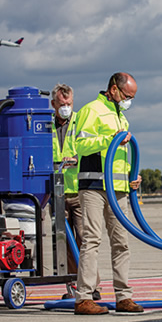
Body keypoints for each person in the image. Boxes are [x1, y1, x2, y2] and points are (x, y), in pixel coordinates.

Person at [73, 72, 143, 315]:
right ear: (114, 89)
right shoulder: (91, 110)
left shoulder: (120, 117)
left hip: (119, 189)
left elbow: (121, 158)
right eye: (127, 95)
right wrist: (108, 140)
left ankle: (123, 297)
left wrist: (132, 178)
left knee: (121, 242)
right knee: (92, 240)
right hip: (93, 186)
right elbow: (79, 145)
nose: (128, 101)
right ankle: (84, 297)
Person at [51, 84, 102, 300]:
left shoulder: (81, 120)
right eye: (62, 104)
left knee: (85, 240)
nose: (66, 108)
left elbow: (89, 147)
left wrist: (76, 160)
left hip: (79, 190)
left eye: (69, 104)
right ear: (53, 104)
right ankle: (72, 286)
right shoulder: (45, 125)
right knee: (63, 244)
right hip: (57, 193)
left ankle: (92, 287)